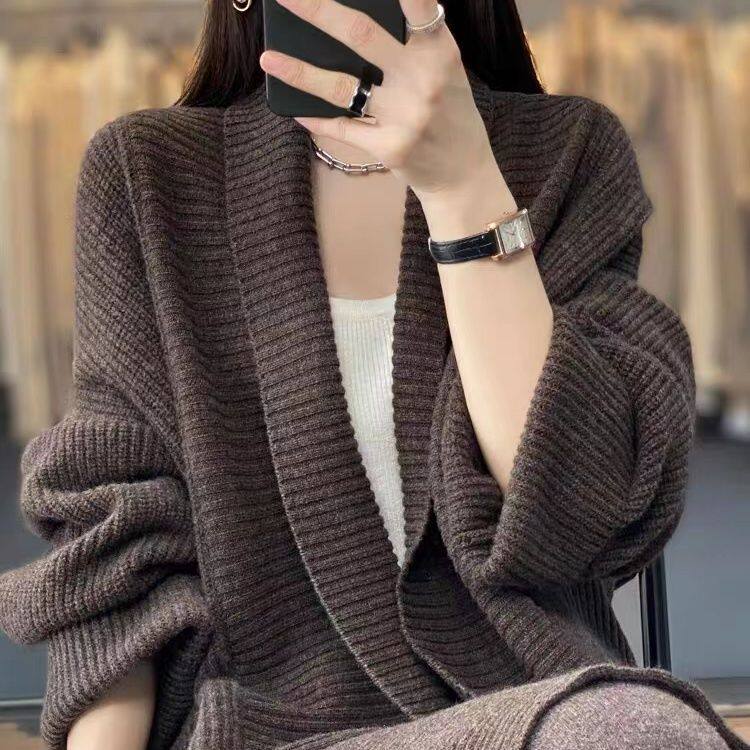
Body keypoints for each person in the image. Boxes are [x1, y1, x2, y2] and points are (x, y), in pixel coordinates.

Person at [0, 1, 746, 749]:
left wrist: (464, 186)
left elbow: (579, 517)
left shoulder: (567, 150)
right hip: (263, 731)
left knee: (640, 730)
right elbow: (120, 545)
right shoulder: (149, 173)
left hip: (540, 715)